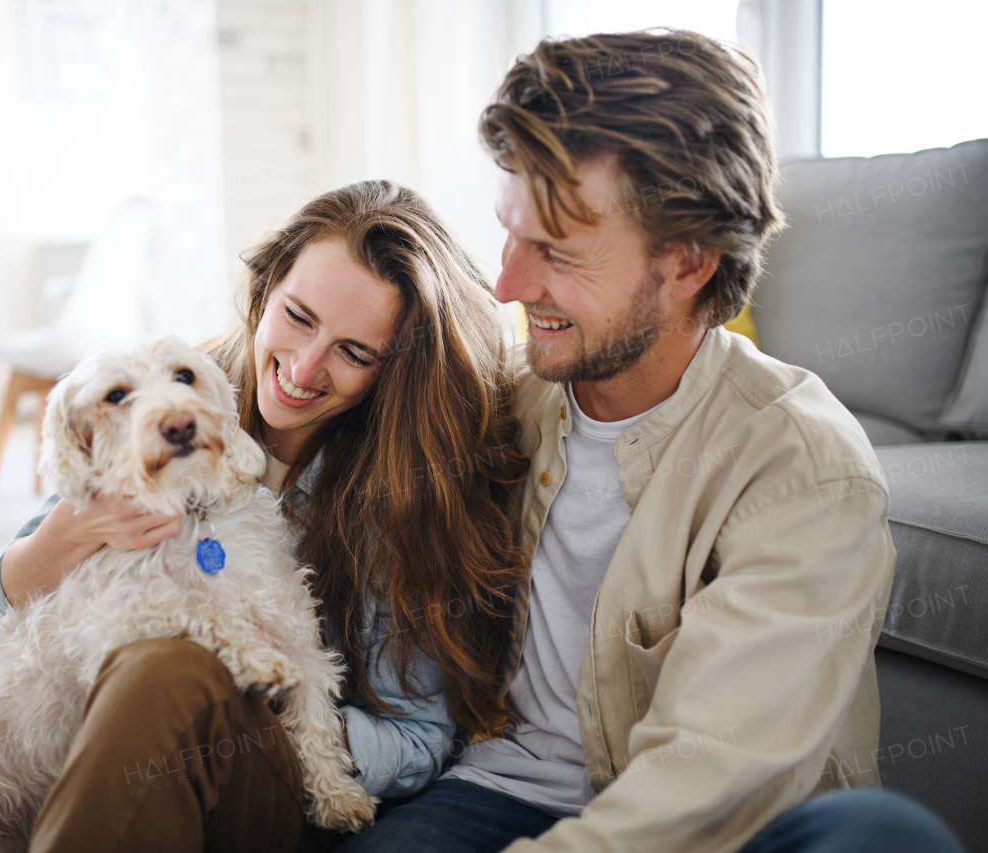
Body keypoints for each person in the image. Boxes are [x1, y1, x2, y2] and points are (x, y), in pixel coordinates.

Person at [0, 181, 530, 853]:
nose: (305, 367)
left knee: (159, 674)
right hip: (57, 714)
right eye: (299, 317)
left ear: (397, 368)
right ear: (267, 285)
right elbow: (15, 617)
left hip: (237, 770)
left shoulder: (407, 492)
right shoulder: (176, 383)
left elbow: (422, 739)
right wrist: (62, 540)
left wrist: (266, 697)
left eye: (355, 352)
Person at [338, 31, 964, 853]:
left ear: (688, 263)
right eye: (511, 234)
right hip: (495, 793)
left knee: (884, 837)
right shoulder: (506, 399)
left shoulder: (804, 473)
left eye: (557, 252)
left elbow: (705, 787)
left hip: (719, 831)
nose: (509, 285)